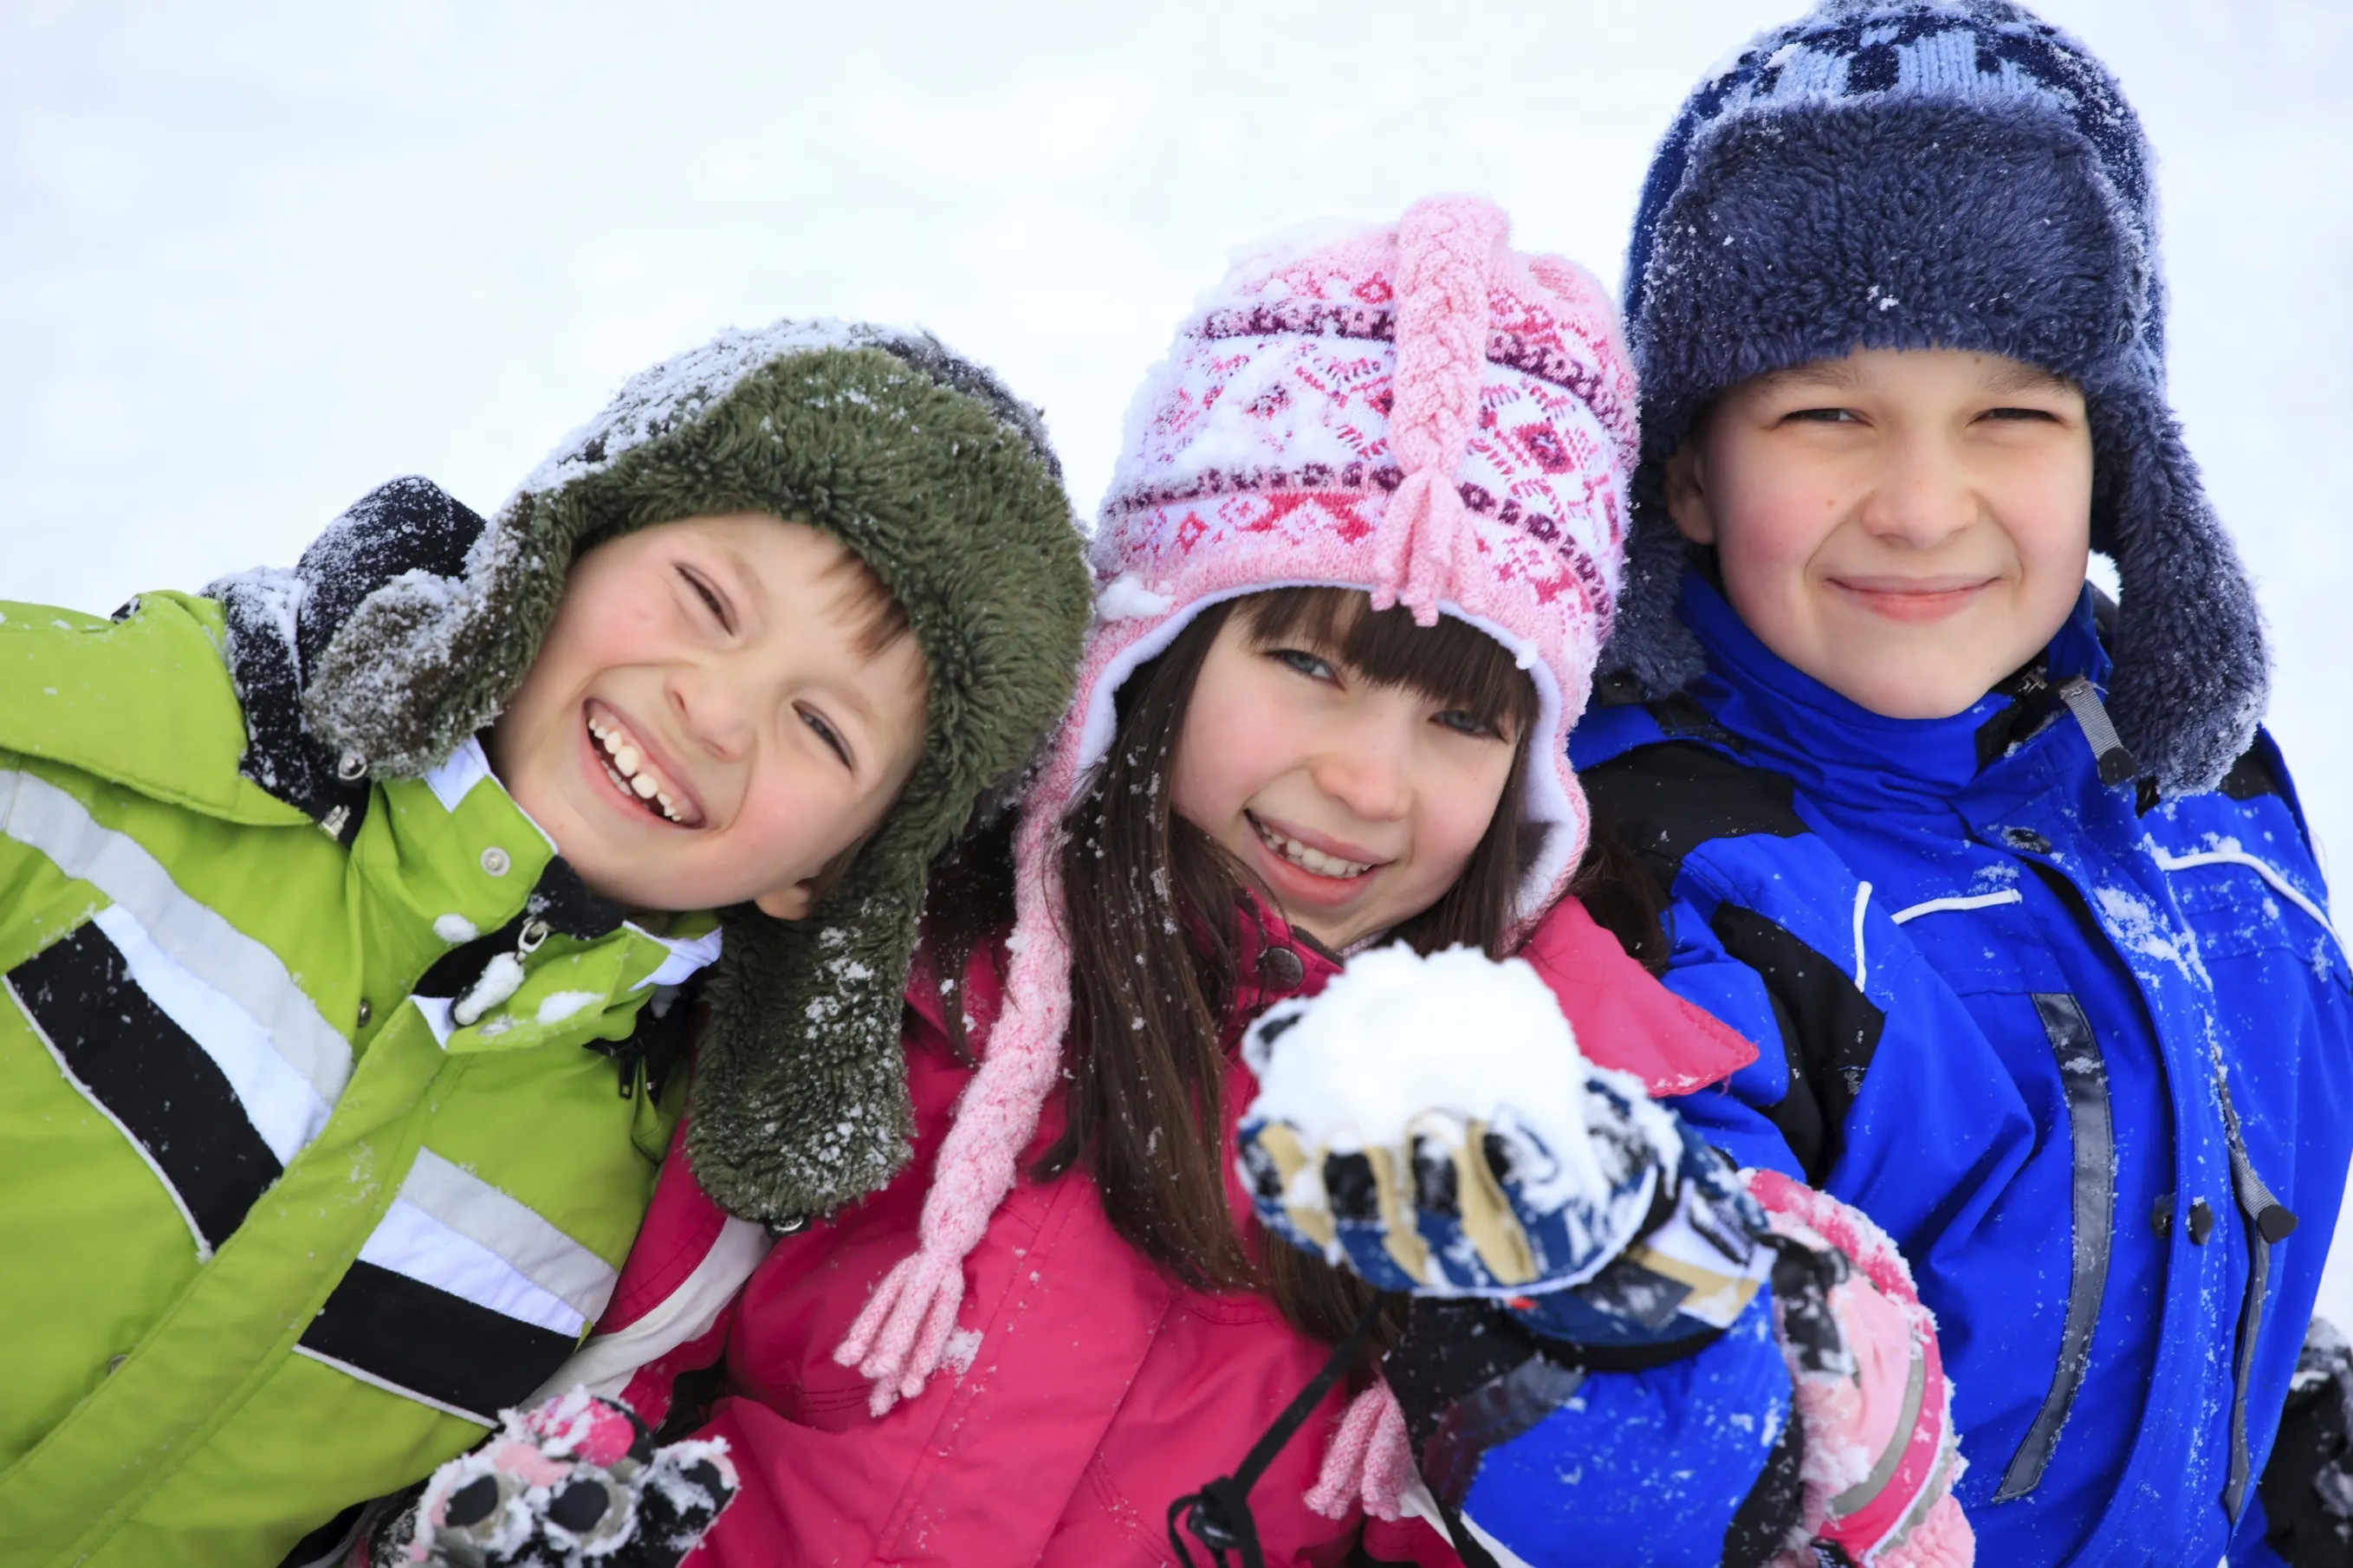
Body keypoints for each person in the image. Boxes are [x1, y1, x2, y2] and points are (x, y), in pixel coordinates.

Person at [431, 197, 1968, 1568]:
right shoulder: (906, 953)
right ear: (1154, 652)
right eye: (1301, 659)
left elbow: (1826, 1463)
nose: (1366, 778)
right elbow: (596, 1322)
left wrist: (1608, 1302)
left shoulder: (1565, 1097)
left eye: (1460, 716)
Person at [0, 319, 1091, 1567]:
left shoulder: (648, 1223)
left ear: (833, 875)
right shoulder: (104, 766)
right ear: (563, 538)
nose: (717, 710)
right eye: (709, 598)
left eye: (824, 730)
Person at [1559, 2, 2353, 1561]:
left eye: (2011, 413)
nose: (1924, 506)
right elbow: (1675, 1459)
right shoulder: (1649, 876)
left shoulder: (2209, 797)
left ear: (2115, 458)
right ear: (1687, 470)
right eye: (1826, 413)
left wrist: (2277, 1433)